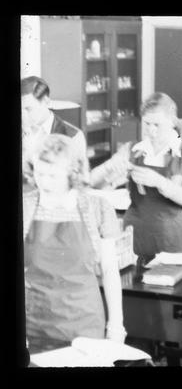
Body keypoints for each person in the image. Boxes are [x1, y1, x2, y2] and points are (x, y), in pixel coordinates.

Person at [23, 134, 125, 345]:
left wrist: (116, 326)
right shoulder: (25, 207)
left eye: (53, 176)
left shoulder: (97, 209)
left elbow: (109, 271)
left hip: (83, 322)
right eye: (40, 174)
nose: (44, 182)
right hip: (33, 322)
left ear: (72, 174)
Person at [90, 92, 182, 264]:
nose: (151, 130)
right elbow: (92, 184)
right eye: (147, 124)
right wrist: (109, 167)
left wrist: (160, 182)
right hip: (134, 242)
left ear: (172, 121)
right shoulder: (134, 149)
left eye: (157, 125)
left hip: (172, 243)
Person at [21, 76, 87, 191]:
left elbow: (78, 183)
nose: (22, 117)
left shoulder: (73, 136)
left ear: (46, 102)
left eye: (28, 109)